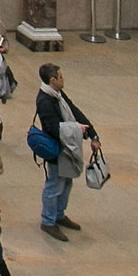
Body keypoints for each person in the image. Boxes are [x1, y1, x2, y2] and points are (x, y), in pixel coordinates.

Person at [34, 62, 98, 238]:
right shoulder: (45, 101)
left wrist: (93, 134)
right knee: (54, 184)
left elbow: (74, 111)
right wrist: (78, 129)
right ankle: (48, 221)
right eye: (60, 77)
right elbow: (54, 129)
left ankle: (59, 214)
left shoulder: (58, 95)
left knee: (67, 182)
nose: (63, 79)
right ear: (52, 80)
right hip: (57, 149)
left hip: (68, 148)